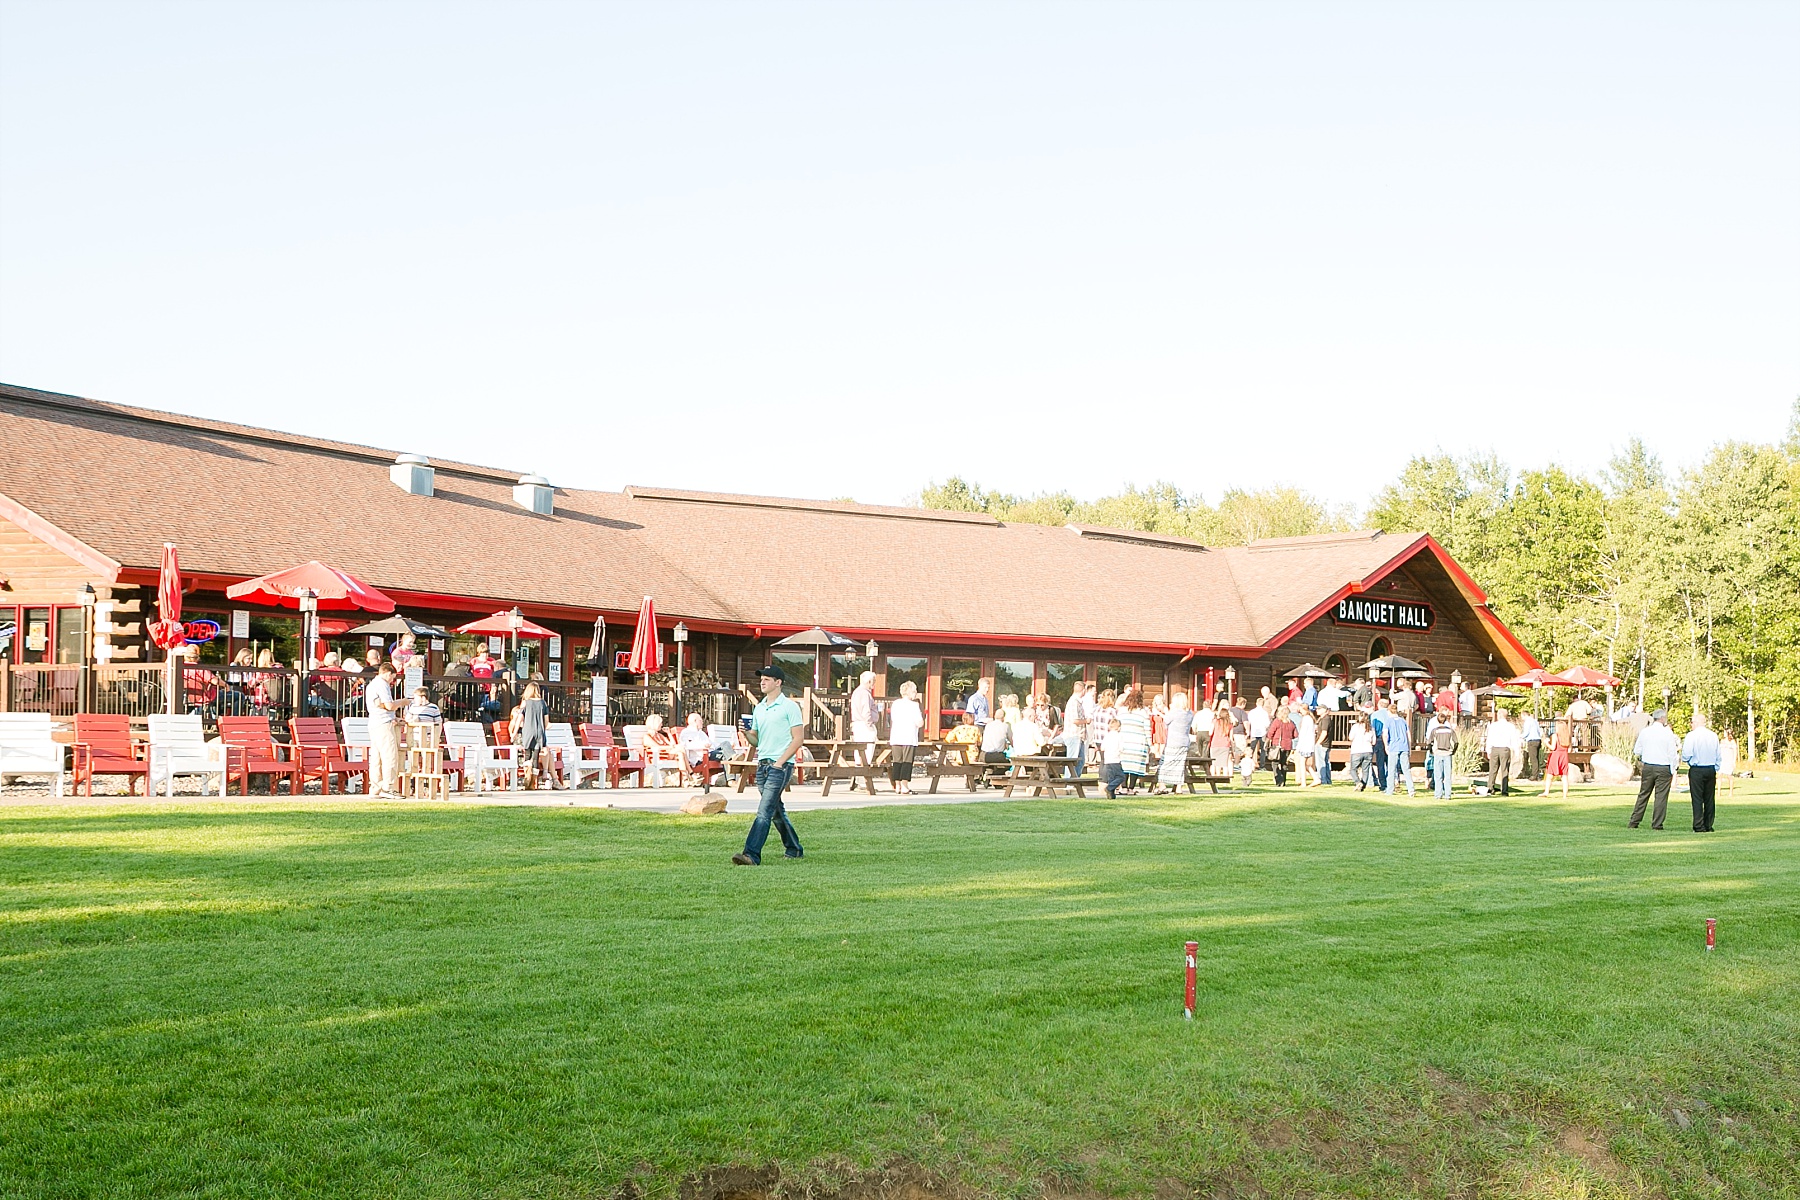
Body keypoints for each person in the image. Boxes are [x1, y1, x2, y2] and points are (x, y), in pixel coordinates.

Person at [733, 665, 805, 866]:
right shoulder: (759, 708)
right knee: (775, 811)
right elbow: (756, 741)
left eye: (767, 679)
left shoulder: (790, 707)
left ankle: (751, 854)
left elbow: (798, 739)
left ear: (778, 682)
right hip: (763, 765)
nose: (762, 682)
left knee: (764, 811)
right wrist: (746, 733)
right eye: (761, 679)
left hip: (780, 766)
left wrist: (780, 763)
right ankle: (794, 848)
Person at [1628, 709, 1680, 831]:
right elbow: (1672, 753)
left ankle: (1634, 821)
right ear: (1662, 718)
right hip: (1663, 767)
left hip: (1648, 766)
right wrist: (1673, 768)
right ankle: (1657, 824)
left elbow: (1637, 750)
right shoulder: (1667, 733)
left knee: (1643, 794)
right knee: (1661, 796)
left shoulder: (1645, 732)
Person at [364, 662, 406, 798]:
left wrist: (394, 717)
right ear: (388, 673)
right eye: (392, 677)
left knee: (376, 758)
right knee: (390, 756)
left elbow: (379, 705)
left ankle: (375, 788)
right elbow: (389, 706)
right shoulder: (382, 684)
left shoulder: (371, 685)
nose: (392, 681)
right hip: (384, 724)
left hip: (374, 722)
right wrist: (403, 702)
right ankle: (388, 787)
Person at [1681, 711, 1721, 833]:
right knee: (1709, 798)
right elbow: (1718, 754)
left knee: (1697, 798)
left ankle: (1698, 825)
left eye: (1692, 722)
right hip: (1710, 768)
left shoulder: (1691, 736)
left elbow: (1686, 754)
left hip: (1697, 769)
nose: (1691, 724)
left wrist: (1687, 761)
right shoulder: (1713, 735)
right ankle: (1708, 824)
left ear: (1696, 722)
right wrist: (1716, 767)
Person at [887, 680, 925, 795]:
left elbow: (893, 718)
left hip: (896, 736)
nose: (915, 693)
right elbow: (919, 723)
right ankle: (904, 785)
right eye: (914, 691)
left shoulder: (895, 704)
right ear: (909, 691)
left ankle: (897, 785)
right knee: (907, 762)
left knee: (897, 761)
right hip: (908, 736)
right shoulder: (914, 705)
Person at [509, 681, 548, 788]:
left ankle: (527, 777)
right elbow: (546, 722)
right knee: (535, 757)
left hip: (528, 732)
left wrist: (514, 733)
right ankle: (533, 783)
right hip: (539, 732)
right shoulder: (543, 703)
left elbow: (519, 719)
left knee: (527, 754)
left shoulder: (525, 702)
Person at [1153, 691, 1193, 794]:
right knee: (1180, 765)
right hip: (1184, 742)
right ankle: (1179, 788)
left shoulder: (1174, 712)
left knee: (1164, 763)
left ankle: (1162, 786)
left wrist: (1160, 713)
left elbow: (1166, 721)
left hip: (1173, 742)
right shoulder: (1189, 713)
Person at [848, 670, 879, 792]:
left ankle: (859, 780)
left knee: (859, 753)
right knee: (866, 753)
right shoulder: (864, 693)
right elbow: (866, 711)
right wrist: (870, 723)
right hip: (864, 726)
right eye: (874, 681)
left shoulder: (857, 692)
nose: (874, 683)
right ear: (869, 681)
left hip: (858, 724)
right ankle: (863, 782)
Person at [1117, 689, 1151, 793]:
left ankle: (1123, 787)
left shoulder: (1121, 711)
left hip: (1124, 741)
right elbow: (1147, 729)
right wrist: (1150, 744)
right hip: (1138, 742)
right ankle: (1131, 788)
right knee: (1135, 766)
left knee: (1124, 765)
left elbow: (1117, 725)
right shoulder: (1143, 712)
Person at [1380, 697, 1414, 796]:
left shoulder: (1388, 721)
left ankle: (1390, 790)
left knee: (1391, 769)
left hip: (1393, 746)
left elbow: (1385, 734)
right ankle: (1411, 790)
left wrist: (1386, 745)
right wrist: (1409, 747)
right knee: (1406, 769)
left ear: (1389, 711)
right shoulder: (1403, 721)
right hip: (1404, 746)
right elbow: (1408, 735)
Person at [1484, 710, 1520, 797]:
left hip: (1495, 749)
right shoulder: (1510, 726)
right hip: (1505, 749)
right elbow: (1514, 739)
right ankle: (1504, 790)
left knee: (1493, 770)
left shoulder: (1493, 725)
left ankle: (1490, 788)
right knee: (1505, 770)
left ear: (1499, 715)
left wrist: (1488, 750)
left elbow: (1489, 738)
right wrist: (1516, 751)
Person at [1427, 711, 1456, 799]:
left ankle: (1438, 794)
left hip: (1438, 753)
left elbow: (1429, 742)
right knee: (1447, 776)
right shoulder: (1450, 730)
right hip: (1447, 753)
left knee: (1438, 775)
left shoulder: (1435, 730)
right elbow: (1456, 742)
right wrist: (1453, 751)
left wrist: (1431, 751)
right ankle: (1448, 795)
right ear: (1446, 720)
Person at [679, 713, 714, 786]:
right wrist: (703, 746)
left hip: (710, 754)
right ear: (695, 721)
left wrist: (709, 746)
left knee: (725, 749)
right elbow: (686, 746)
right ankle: (732, 777)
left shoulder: (702, 733)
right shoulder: (686, 732)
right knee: (726, 751)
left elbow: (712, 745)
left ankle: (731, 779)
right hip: (699, 759)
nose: (702, 722)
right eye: (700, 720)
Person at [1266, 703, 1296, 786]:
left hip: (1278, 745)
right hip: (1288, 745)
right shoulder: (1291, 723)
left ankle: (1279, 779)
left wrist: (1268, 740)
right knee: (1284, 763)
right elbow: (1295, 735)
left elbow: (1271, 732)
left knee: (1275, 763)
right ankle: (1284, 781)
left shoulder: (1277, 721)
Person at [1541, 726, 1573, 798]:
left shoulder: (1555, 736)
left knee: (1549, 775)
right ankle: (1565, 795)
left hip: (1555, 756)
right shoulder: (1567, 737)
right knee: (1564, 776)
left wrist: (1546, 743)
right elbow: (1569, 750)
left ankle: (1546, 792)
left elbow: (1553, 747)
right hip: (1564, 756)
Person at [1099, 717, 1125, 797]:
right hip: (1115, 760)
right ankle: (1109, 788)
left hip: (1107, 760)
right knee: (1121, 777)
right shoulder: (1119, 736)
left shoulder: (1107, 736)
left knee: (1111, 778)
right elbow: (1121, 748)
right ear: (1119, 727)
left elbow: (1102, 748)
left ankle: (1111, 794)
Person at [1291, 705, 1316, 787]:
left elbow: (1303, 733)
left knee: (1302, 763)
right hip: (1309, 744)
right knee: (1306, 765)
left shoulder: (1306, 719)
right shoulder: (1310, 719)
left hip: (1305, 744)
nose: (1300, 712)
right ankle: (1316, 778)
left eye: (1301, 710)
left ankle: (1303, 782)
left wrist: (1299, 746)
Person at [1348, 716, 1375, 791]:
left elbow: (1350, 738)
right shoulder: (1371, 728)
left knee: (1353, 769)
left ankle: (1358, 782)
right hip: (1368, 750)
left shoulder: (1355, 726)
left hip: (1357, 750)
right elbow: (1374, 742)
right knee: (1365, 770)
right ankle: (1362, 786)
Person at [1247, 697, 1271, 771]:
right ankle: (1262, 766)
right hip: (1262, 732)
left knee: (1252, 749)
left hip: (1254, 731)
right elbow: (1267, 723)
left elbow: (1249, 721)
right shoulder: (1264, 713)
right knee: (1263, 749)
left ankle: (1249, 764)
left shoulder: (1252, 712)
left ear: (1256, 703)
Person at [1520, 710, 1543, 781]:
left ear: (1524, 715)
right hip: (1538, 740)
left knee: (1533, 759)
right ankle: (1537, 774)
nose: (1522, 718)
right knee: (1536, 758)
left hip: (1532, 741)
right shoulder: (1535, 721)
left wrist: (1520, 736)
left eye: (1522, 716)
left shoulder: (1527, 722)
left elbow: (1526, 733)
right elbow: (1539, 731)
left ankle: (1534, 775)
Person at [1719, 730, 1739, 800]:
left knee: (1729, 776)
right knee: (1720, 775)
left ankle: (1731, 792)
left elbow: (1735, 752)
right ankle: (1719, 792)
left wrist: (1734, 761)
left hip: (1729, 760)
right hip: (1722, 760)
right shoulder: (1722, 741)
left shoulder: (1732, 742)